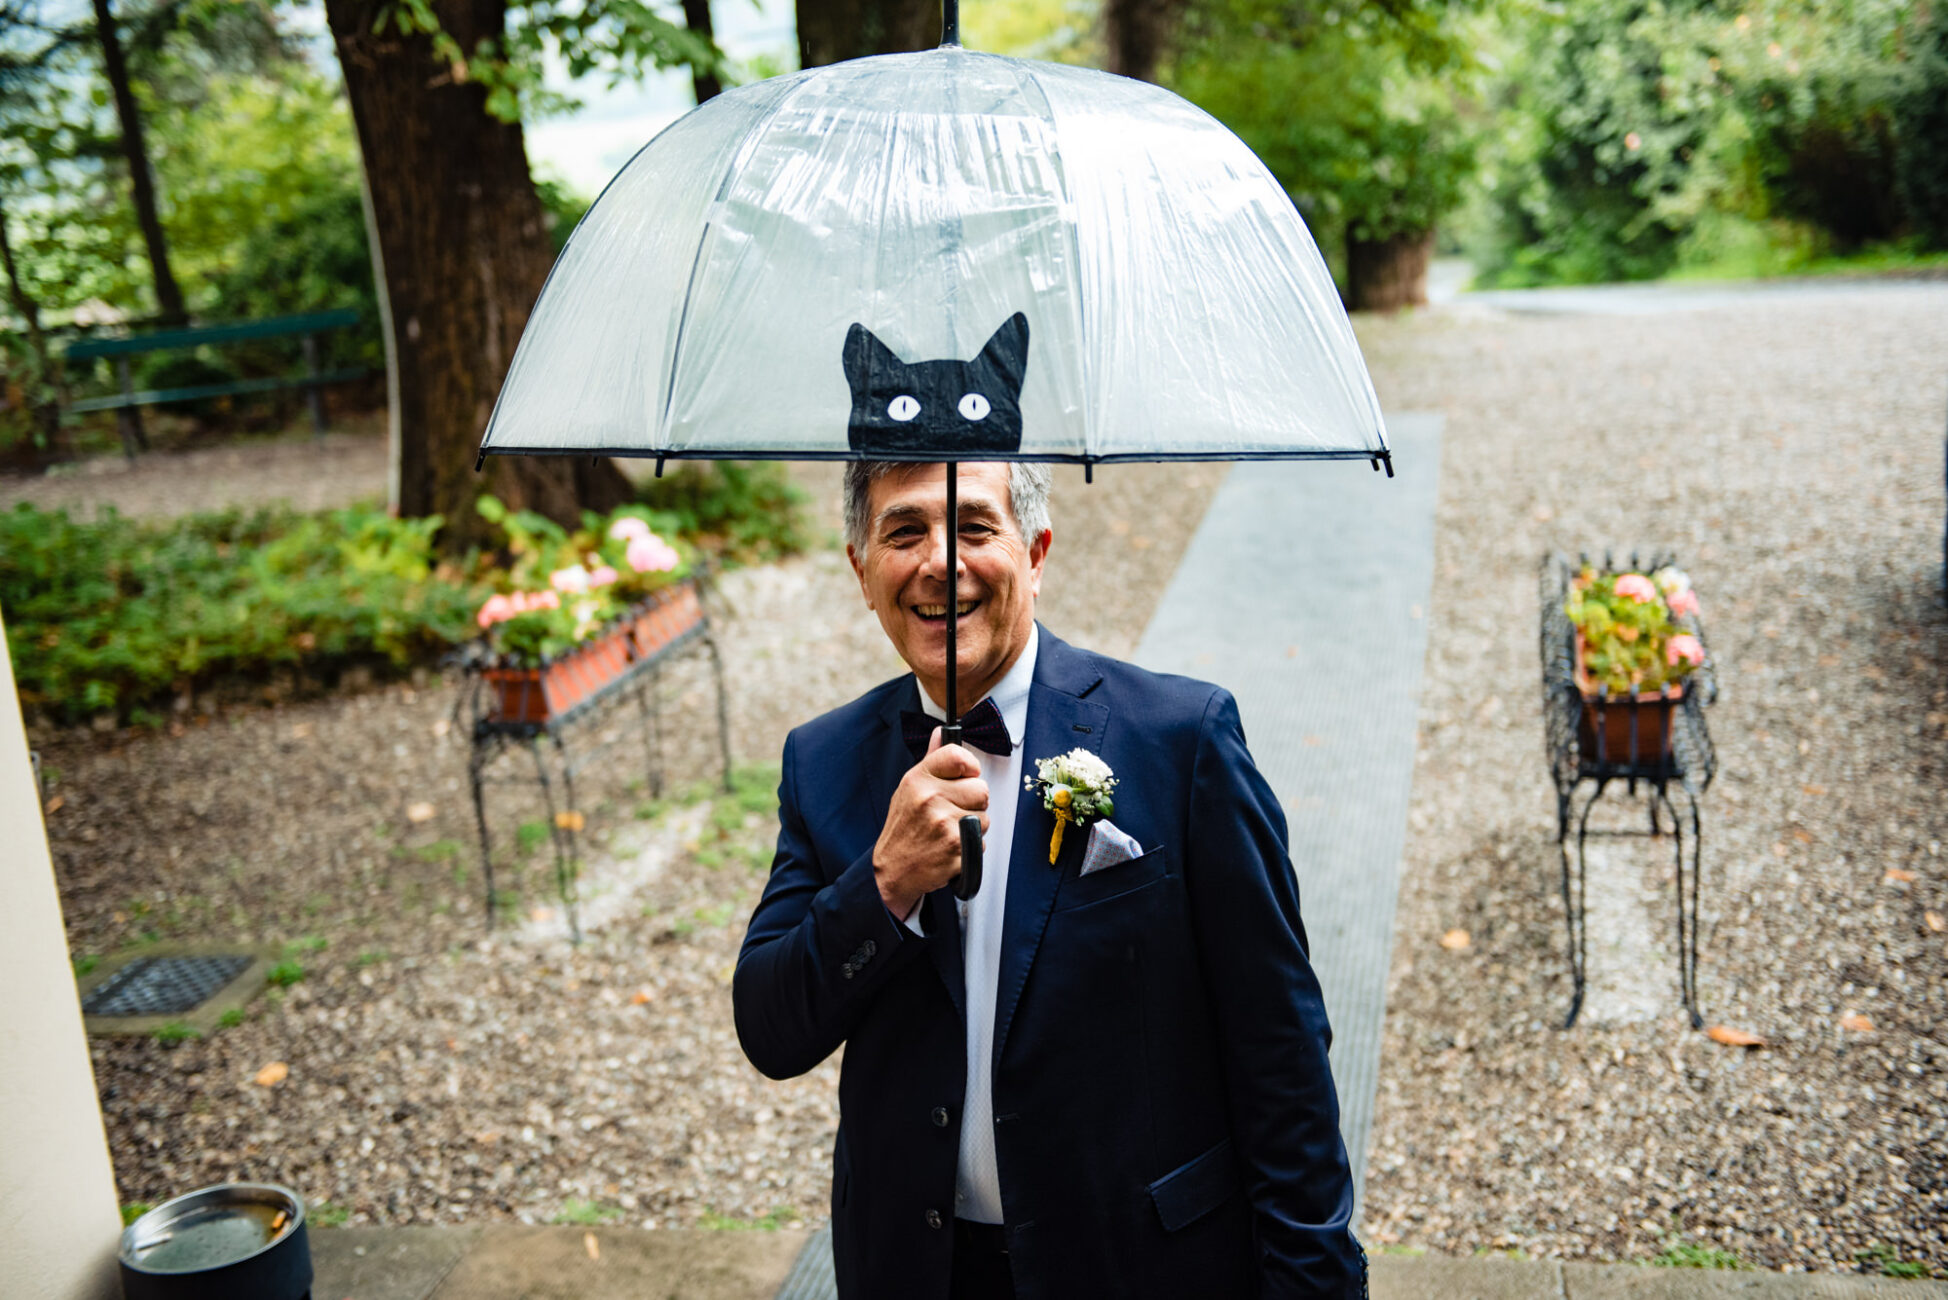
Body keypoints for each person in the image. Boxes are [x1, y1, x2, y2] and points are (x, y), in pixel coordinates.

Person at [733, 460, 1365, 1299]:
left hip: (1137, 1265)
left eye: (976, 529)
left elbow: (1280, 1051)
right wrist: (885, 885)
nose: (939, 563)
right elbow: (772, 1030)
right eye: (905, 531)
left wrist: (1316, 1281)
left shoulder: (1183, 741)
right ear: (862, 569)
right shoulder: (822, 762)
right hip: (916, 1272)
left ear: (1036, 551)